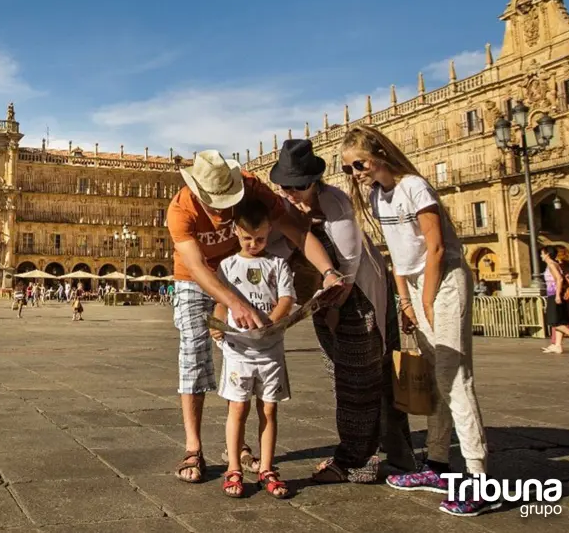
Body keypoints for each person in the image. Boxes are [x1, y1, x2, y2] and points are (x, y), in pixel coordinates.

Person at [340, 125, 493, 517]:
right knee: (435, 380)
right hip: (418, 289)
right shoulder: (377, 197)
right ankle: (439, 466)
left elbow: (437, 247)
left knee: (455, 379)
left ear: (379, 154)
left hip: (446, 279)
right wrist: (404, 301)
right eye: (348, 169)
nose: (356, 172)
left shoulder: (415, 187)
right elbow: (397, 257)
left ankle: (479, 480)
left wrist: (425, 297)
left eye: (359, 163)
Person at [168, 150, 341, 484]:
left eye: (224, 200)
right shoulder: (180, 209)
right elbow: (196, 266)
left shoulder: (252, 187)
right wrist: (235, 304)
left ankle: (238, 445)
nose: (219, 209)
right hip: (193, 279)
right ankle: (193, 447)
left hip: (238, 272)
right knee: (193, 352)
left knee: (243, 359)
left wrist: (329, 272)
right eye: (213, 201)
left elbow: (297, 233)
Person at [270, 139, 415, 484]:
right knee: (348, 378)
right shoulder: (292, 205)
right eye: (285, 186)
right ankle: (388, 453)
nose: (291, 192)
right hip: (326, 299)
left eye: (298, 185)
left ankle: (356, 461)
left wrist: (334, 310)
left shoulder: (333, 201)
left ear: (314, 181)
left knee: (357, 382)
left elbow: (347, 265)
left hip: (356, 297)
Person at [208, 198, 295, 499]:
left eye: (260, 238)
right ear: (236, 232)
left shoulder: (278, 264)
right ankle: (234, 466)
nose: (254, 244)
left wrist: (269, 321)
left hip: (270, 348)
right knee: (238, 408)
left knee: (268, 409)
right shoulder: (228, 266)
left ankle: (267, 468)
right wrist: (217, 326)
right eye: (247, 238)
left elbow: (287, 299)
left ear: (269, 232)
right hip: (238, 350)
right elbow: (221, 301)